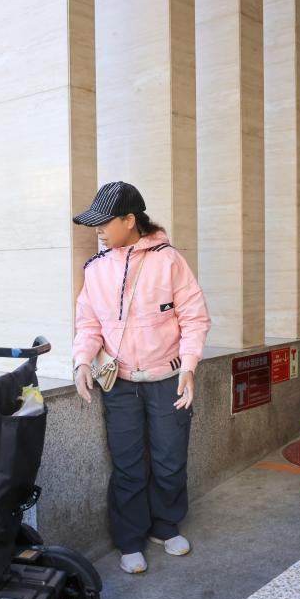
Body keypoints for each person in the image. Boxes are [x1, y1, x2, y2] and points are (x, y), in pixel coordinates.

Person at [71, 181, 211, 575]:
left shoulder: (169, 261)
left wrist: (189, 366)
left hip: (168, 378)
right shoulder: (95, 269)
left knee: (169, 459)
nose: (97, 230)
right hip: (120, 383)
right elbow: (88, 323)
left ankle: (166, 526)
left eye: (105, 222)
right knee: (128, 464)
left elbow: (194, 318)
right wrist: (82, 361)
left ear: (130, 220)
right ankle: (130, 538)